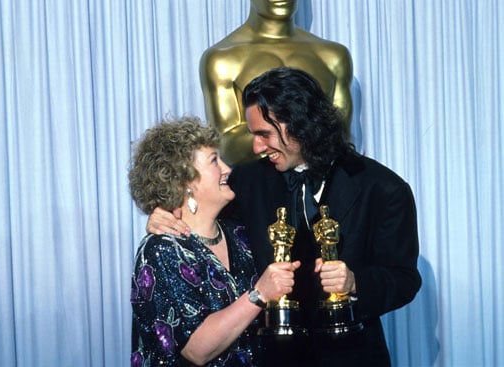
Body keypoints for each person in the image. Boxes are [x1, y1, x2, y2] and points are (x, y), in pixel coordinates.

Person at [147, 68, 422, 366]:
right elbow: (201, 210)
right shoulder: (248, 181)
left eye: (264, 134)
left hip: (352, 355)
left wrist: (356, 282)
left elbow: (404, 279)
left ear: (301, 124)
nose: (256, 147)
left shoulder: (384, 188)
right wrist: (163, 213)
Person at [129, 116, 300, 367]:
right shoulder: (160, 251)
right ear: (183, 182)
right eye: (214, 161)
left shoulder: (240, 234)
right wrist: (259, 294)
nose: (227, 169)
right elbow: (196, 350)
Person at [200, 0, 354, 166]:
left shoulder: (333, 56)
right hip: (259, 185)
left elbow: (340, 133)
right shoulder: (222, 60)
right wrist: (303, 130)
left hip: (324, 182)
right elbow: (227, 144)